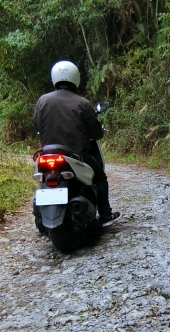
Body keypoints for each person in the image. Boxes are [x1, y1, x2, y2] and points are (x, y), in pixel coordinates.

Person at [33, 60, 119, 224]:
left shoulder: (42, 101)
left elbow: (36, 125)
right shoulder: (82, 103)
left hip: (47, 153)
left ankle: (41, 217)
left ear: (54, 78)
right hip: (76, 155)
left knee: (42, 179)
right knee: (100, 178)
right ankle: (106, 214)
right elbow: (96, 133)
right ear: (75, 78)